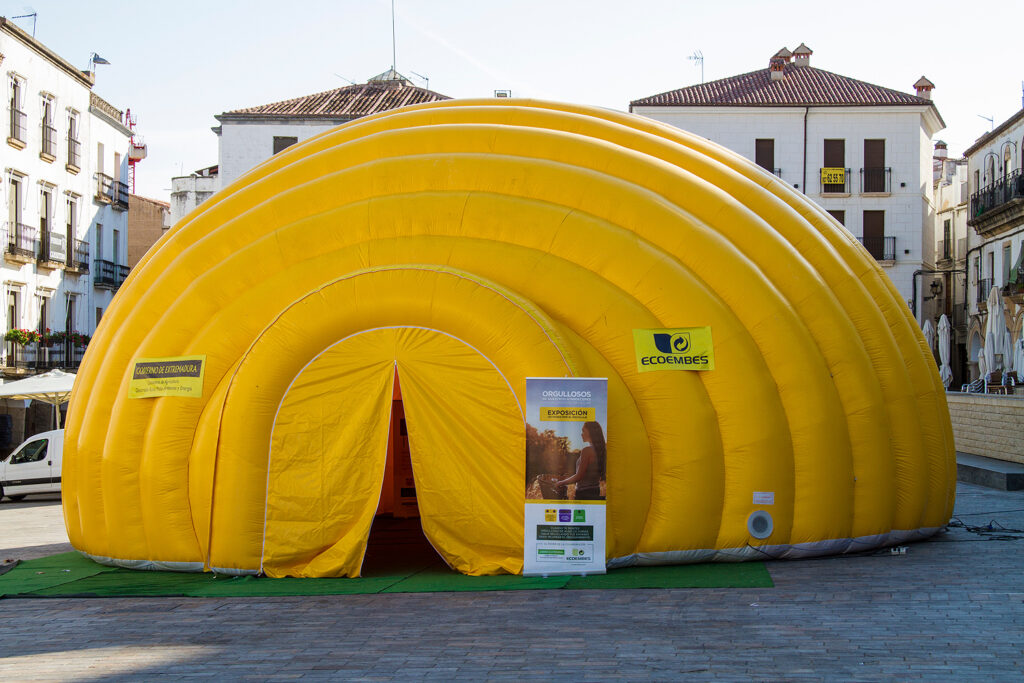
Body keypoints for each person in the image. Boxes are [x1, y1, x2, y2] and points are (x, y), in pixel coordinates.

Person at [555, 420, 606, 500]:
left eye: (583, 431)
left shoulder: (587, 451)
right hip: (596, 491)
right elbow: (588, 475)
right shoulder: (601, 451)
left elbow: (579, 476)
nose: (581, 434)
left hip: (584, 494)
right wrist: (567, 478)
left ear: (590, 432)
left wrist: (560, 483)